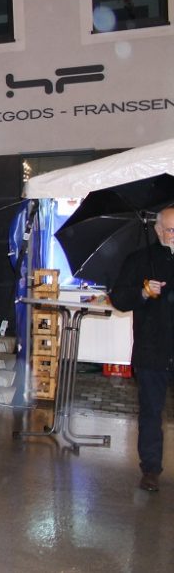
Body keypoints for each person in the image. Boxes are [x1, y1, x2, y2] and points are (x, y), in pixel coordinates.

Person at [110, 206, 174, 493]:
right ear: (159, 230)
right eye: (172, 229)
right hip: (152, 350)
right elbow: (119, 298)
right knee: (151, 411)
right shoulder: (140, 260)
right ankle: (150, 468)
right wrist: (142, 293)